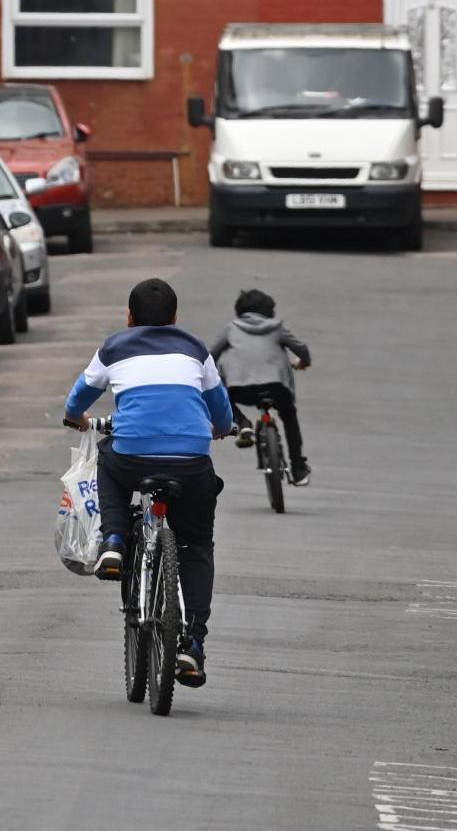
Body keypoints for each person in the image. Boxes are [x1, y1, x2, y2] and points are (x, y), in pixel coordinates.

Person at [63, 277, 234, 687]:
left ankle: (115, 542)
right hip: (191, 462)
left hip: (133, 455)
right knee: (196, 546)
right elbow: (222, 411)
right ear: (175, 318)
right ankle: (192, 644)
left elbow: (77, 400)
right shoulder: (195, 349)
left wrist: (78, 420)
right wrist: (220, 428)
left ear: (129, 317)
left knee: (109, 458)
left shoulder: (114, 347)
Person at [211, 288, 314, 487]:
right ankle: (298, 467)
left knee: (224, 398)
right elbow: (301, 349)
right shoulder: (277, 327)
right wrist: (303, 362)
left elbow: (211, 354)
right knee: (289, 416)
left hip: (240, 388)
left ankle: (243, 424)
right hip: (276, 387)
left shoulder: (231, 328)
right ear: (270, 311)